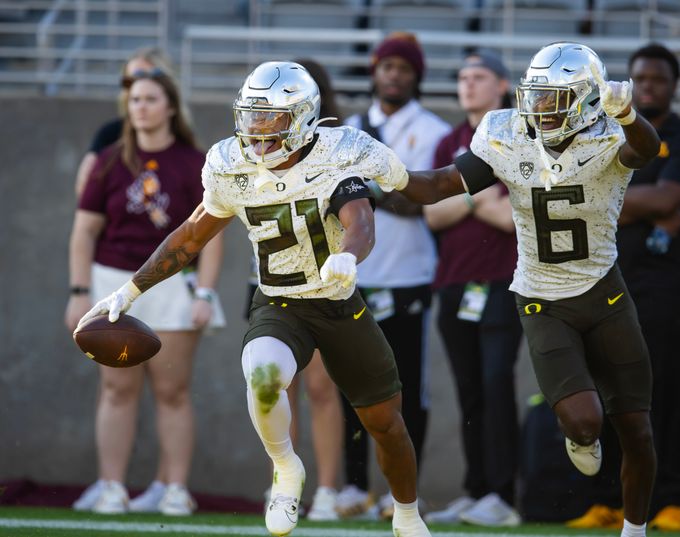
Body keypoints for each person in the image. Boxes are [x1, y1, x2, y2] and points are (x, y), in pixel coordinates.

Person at [77, 61, 431, 537]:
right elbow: (190, 235)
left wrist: (348, 256)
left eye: (273, 119)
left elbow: (360, 220)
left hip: (339, 303)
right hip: (279, 303)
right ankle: (286, 468)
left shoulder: (336, 152)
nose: (258, 131)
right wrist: (131, 290)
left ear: (304, 117)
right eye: (252, 117)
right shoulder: (231, 163)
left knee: (386, 423)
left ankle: (407, 514)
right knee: (264, 379)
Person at [391, 42, 663, 537]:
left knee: (638, 430)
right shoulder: (507, 134)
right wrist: (383, 171)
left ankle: (635, 530)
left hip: (604, 293)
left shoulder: (609, 134)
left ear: (584, 101)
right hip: (541, 297)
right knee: (584, 423)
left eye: (553, 98)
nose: (539, 109)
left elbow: (644, 149)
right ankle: (581, 438)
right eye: (534, 96)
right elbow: (436, 187)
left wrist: (627, 114)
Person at [65, 69, 225, 516]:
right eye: (134, 100)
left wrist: (205, 295)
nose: (140, 107)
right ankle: (111, 485)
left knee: (173, 390)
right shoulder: (108, 162)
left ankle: (175, 488)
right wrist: (79, 292)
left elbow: (211, 235)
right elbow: (83, 232)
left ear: (171, 106)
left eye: (150, 99)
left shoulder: (195, 162)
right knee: (116, 389)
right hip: (110, 281)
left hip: (172, 283)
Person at [339, 31, 450, 520]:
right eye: (387, 66)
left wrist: (368, 189)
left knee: (406, 389)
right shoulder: (346, 130)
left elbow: (425, 200)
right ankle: (353, 486)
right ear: (374, 71)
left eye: (404, 68)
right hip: (352, 272)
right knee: (351, 384)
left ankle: (400, 492)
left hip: (410, 274)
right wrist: (385, 188)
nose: (394, 75)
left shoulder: (432, 131)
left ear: (417, 76)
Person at [421, 51, 523, 528]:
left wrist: (459, 196)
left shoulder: (521, 135)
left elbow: (509, 216)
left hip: (506, 280)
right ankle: (476, 489)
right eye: (461, 77)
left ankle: (503, 496)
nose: (468, 85)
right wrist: (478, 195)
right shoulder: (449, 141)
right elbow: (430, 212)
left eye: (478, 77)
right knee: (467, 391)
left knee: (497, 382)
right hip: (454, 282)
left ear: (502, 85)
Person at [243, 58, 345, 521]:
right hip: (269, 280)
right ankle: (284, 483)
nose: (266, 120)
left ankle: (326, 488)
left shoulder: (337, 149)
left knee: (323, 389)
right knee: (275, 385)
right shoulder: (245, 150)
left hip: (321, 284)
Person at [619, 43, 680, 531]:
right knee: (614, 393)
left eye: (657, 78)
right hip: (613, 281)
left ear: (674, 85)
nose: (647, 86)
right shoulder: (611, 136)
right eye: (639, 78)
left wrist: (613, 197)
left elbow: (669, 197)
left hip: (666, 287)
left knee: (667, 390)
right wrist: (647, 203)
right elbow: (652, 202)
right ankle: (611, 503)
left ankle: (675, 499)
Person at [74, 47, 176, 198]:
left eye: (152, 78)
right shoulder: (110, 134)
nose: (141, 86)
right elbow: (85, 194)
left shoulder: (183, 141)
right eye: (131, 80)